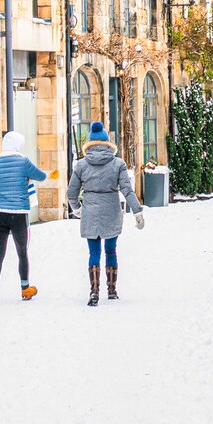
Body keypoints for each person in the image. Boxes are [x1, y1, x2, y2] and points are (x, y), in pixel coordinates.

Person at [67, 120, 143, 306]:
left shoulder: (81, 165)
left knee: (93, 251)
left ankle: (94, 291)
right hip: (111, 209)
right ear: (108, 143)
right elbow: (127, 190)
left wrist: (77, 208)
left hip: (90, 210)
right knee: (110, 249)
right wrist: (137, 212)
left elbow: (71, 192)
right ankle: (111, 289)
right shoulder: (118, 163)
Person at [0, 129, 47, 305]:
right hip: (19, 214)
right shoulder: (23, 162)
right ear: (18, 146)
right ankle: (25, 289)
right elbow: (41, 176)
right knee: (22, 252)